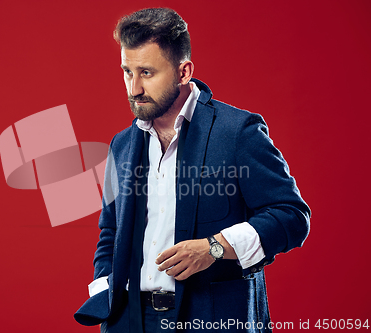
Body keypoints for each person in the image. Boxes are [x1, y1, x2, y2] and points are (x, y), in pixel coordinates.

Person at [74, 7, 310, 333]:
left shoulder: (238, 132)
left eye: (147, 73)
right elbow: (109, 233)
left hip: (211, 322)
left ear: (183, 71)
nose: (134, 88)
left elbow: (292, 216)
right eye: (127, 71)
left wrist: (214, 247)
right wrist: (106, 291)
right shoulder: (122, 145)